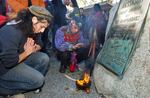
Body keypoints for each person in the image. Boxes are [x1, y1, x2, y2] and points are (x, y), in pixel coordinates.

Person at [0, 5, 53, 97]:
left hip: (19, 59)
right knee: (38, 80)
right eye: (42, 26)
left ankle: (25, 82)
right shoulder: (11, 31)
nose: (42, 31)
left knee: (44, 58)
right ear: (34, 19)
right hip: (4, 68)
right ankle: (6, 90)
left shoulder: (31, 26)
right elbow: (9, 62)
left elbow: (40, 43)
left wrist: (33, 48)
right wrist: (27, 52)